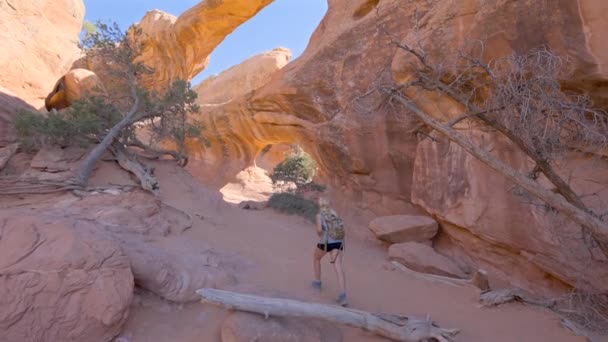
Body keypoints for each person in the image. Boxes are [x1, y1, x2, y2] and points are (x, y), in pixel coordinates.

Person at [312, 197, 347, 306]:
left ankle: (317, 283)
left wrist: (320, 234)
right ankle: (343, 295)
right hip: (338, 243)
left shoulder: (319, 216)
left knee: (316, 258)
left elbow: (319, 230)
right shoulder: (335, 215)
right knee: (338, 267)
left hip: (326, 242)